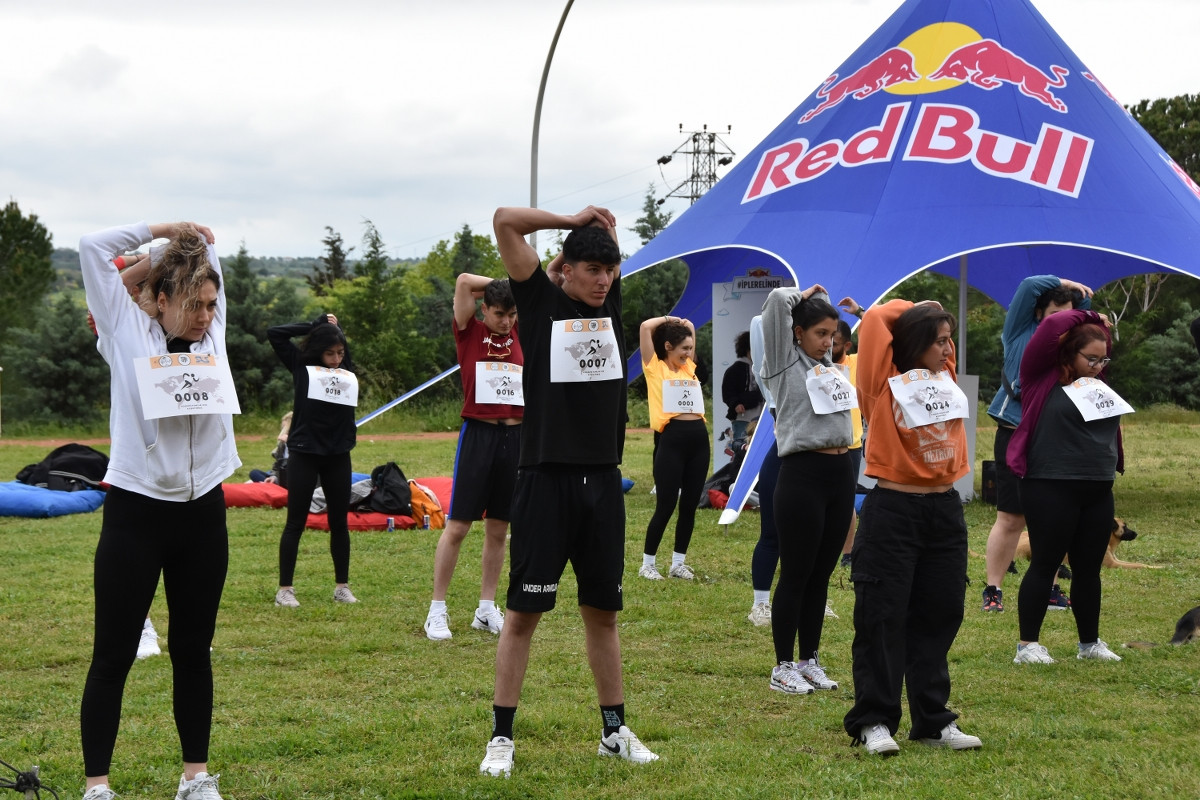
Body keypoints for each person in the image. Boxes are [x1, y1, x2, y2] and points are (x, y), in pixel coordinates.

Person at [479, 205, 658, 778]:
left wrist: (601, 233)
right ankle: (501, 738)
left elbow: (608, 250)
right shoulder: (538, 303)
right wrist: (570, 217)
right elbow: (506, 220)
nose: (604, 280)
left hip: (603, 482)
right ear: (566, 270)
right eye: (592, 270)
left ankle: (613, 730)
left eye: (610, 270)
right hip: (545, 480)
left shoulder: (614, 306)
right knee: (523, 614)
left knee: (602, 614)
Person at [79, 220, 239, 800]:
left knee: (193, 650)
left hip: (203, 513)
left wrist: (195, 247)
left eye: (210, 305)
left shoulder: (211, 335)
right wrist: (163, 233)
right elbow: (92, 248)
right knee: (114, 654)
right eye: (193, 305)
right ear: (161, 300)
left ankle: (195, 779)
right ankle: (97, 786)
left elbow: (209, 252)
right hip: (136, 514)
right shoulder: (125, 332)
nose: (204, 316)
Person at [843, 299, 982, 756]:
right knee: (882, 617)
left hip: (944, 512)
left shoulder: (946, 378)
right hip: (893, 512)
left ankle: (933, 720)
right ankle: (874, 720)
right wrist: (927, 308)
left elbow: (935, 332)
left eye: (949, 340)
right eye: (939, 340)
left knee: (939, 614)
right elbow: (880, 320)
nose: (947, 349)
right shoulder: (881, 385)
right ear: (915, 342)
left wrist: (936, 317)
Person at [1009, 309, 1127, 664]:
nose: (1097, 365)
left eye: (1102, 358)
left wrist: (1101, 331)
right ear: (1067, 354)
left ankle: (1089, 644)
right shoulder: (1039, 378)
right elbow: (1050, 326)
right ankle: (1027, 646)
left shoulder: (1097, 381)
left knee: (1089, 568)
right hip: (1050, 483)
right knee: (1045, 563)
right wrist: (1090, 312)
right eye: (1090, 358)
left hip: (1096, 485)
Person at [760, 285, 855, 695]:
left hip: (840, 473)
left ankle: (809, 660)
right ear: (796, 333)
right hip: (801, 474)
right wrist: (798, 294)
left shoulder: (829, 366)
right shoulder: (783, 363)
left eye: (832, 334)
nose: (828, 342)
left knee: (821, 575)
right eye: (819, 333)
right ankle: (782, 667)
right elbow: (775, 306)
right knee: (796, 573)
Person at [981, 277, 1092, 613]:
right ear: (1037, 314)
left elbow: (1084, 317)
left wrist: (1080, 301)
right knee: (1011, 517)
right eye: (1053, 315)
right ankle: (993, 589)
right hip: (1014, 430)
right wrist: (1066, 283)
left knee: (1051, 517)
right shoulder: (1019, 332)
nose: (1060, 324)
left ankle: (1051, 587)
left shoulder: (1069, 345)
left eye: (1066, 317)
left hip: (1051, 436)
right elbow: (1029, 285)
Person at [424, 273, 523, 640]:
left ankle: (485, 608)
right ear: (484, 309)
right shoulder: (469, 330)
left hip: (515, 437)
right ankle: (437, 610)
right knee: (459, 526)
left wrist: (513, 293)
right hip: (478, 434)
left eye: (512, 313)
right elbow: (465, 281)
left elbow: (534, 288)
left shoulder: (518, 333)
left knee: (499, 528)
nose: (507, 321)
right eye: (499, 313)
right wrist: (501, 283)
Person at [268, 314, 359, 608]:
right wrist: (315, 325)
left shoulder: (345, 369)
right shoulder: (301, 366)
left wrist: (336, 331)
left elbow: (342, 350)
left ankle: (342, 587)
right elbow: (275, 332)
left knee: (339, 523)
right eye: (329, 353)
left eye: (340, 353)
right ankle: (285, 589)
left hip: (338, 455)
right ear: (318, 350)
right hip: (305, 453)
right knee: (295, 522)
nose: (335, 359)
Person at [637, 315, 708, 581]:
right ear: (668, 347)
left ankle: (678, 563)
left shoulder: (688, 367)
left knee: (689, 506)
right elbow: (645, 327)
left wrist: (685, 325)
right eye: (684, 349)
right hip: (672, 440)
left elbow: (690, 326)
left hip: (699, 440)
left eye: (690, 349)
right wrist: (668, 319)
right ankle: (648, 564)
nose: (689, 353)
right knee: (666, 505)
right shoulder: (655, 368)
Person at [746, 315, 780, 626]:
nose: (826, 340)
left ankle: (815, 597)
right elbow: (760, 322)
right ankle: (760, 604)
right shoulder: (776, 372)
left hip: (819, 462)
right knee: (772, 534)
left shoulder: (825, 368)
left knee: (813, 539)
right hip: (784, 455)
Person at [833, 303, 866, 571]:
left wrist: (860, 312)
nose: (827, 345)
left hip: (850, 443)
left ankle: (848, 553)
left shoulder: (855, 363)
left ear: (848, 346)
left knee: (845, 500)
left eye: (835, 342)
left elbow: (878, 336)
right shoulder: (812, 361)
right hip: (818, 443)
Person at [721, 331, 764, 451]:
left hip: (761, 416)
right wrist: (736, 404)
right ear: (748, 349)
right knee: (742, 448)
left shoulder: (762, 367)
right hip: (743, 417)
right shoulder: (735, 369)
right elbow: (727, 392)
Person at [249, 412, 292, 486]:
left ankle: (270, 487)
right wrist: (274, 477)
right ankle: (270, 485)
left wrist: (290, 443)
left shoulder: (299, 444)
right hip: (280, 477)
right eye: (282, 428)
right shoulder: (282, 445)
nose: (282, 432)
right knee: (254, 473)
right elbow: (277, 467)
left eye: (285, 429)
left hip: (292, 479)